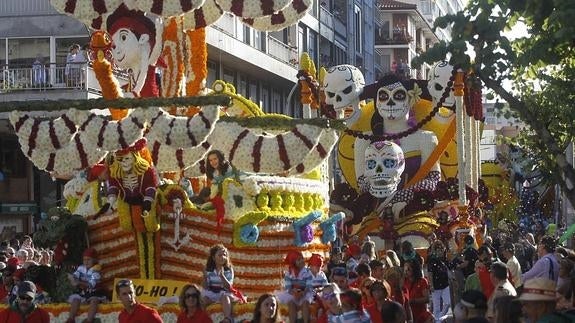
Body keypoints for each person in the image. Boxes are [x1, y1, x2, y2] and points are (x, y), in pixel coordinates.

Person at [202, 244, 242, 323]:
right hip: (212, 293)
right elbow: (206, 287)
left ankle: (227, 318)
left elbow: (229, 287)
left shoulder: (228, 269)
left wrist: (222, 276)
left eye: (224, 255)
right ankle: (201, 318)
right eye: (220, 255)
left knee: (225, 298)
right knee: (203, 300)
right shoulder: (209, 270)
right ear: (213, 258)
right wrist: (205, 277)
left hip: (225, 292)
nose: (223, 257)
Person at [66, 247, 106, 323]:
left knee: (94, 301)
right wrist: (72, 277)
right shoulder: (81, 268)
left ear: (94, 260)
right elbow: (76, 275)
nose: (86, 262)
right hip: (84, 293)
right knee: (75, 300)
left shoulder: (96, 271)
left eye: (89, 259)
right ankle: (71, 319)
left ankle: (89, 320)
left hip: (95, 292)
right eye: (84, 260)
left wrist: (79, 283)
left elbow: (91, 285)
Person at [277, 250, 313, 323]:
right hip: (293, 293)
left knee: (305, 303)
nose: (302, 261)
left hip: (305, 292)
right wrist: (294, 293)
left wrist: (303, 293)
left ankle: (306, 321)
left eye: (302, 258)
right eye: (299, 260)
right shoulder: (289, 273)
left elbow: (309, 285)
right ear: (293, 262)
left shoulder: (307, 272)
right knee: (291, 304)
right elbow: (288, 287)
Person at [427, 240, 451, 323]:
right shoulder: (432, 260)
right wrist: (431, 285)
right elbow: (430, 273)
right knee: (436, 305)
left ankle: (439, 318)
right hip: (436, 285)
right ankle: (437, 320)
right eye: (438, 250)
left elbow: (449, 270)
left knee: (448, 302)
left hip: (445, 284)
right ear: (435, 250)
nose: (440, 251)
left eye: (441, 249)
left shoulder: (444, 259)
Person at [404, 258, 430, 323]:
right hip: (408, 316)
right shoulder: (403, 282)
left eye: (409, 268)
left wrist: (413, 301)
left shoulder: (422, 281)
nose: (406, 270)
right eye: (405, 268)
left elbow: (427, 299)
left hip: (420, 315)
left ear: (414, 269)